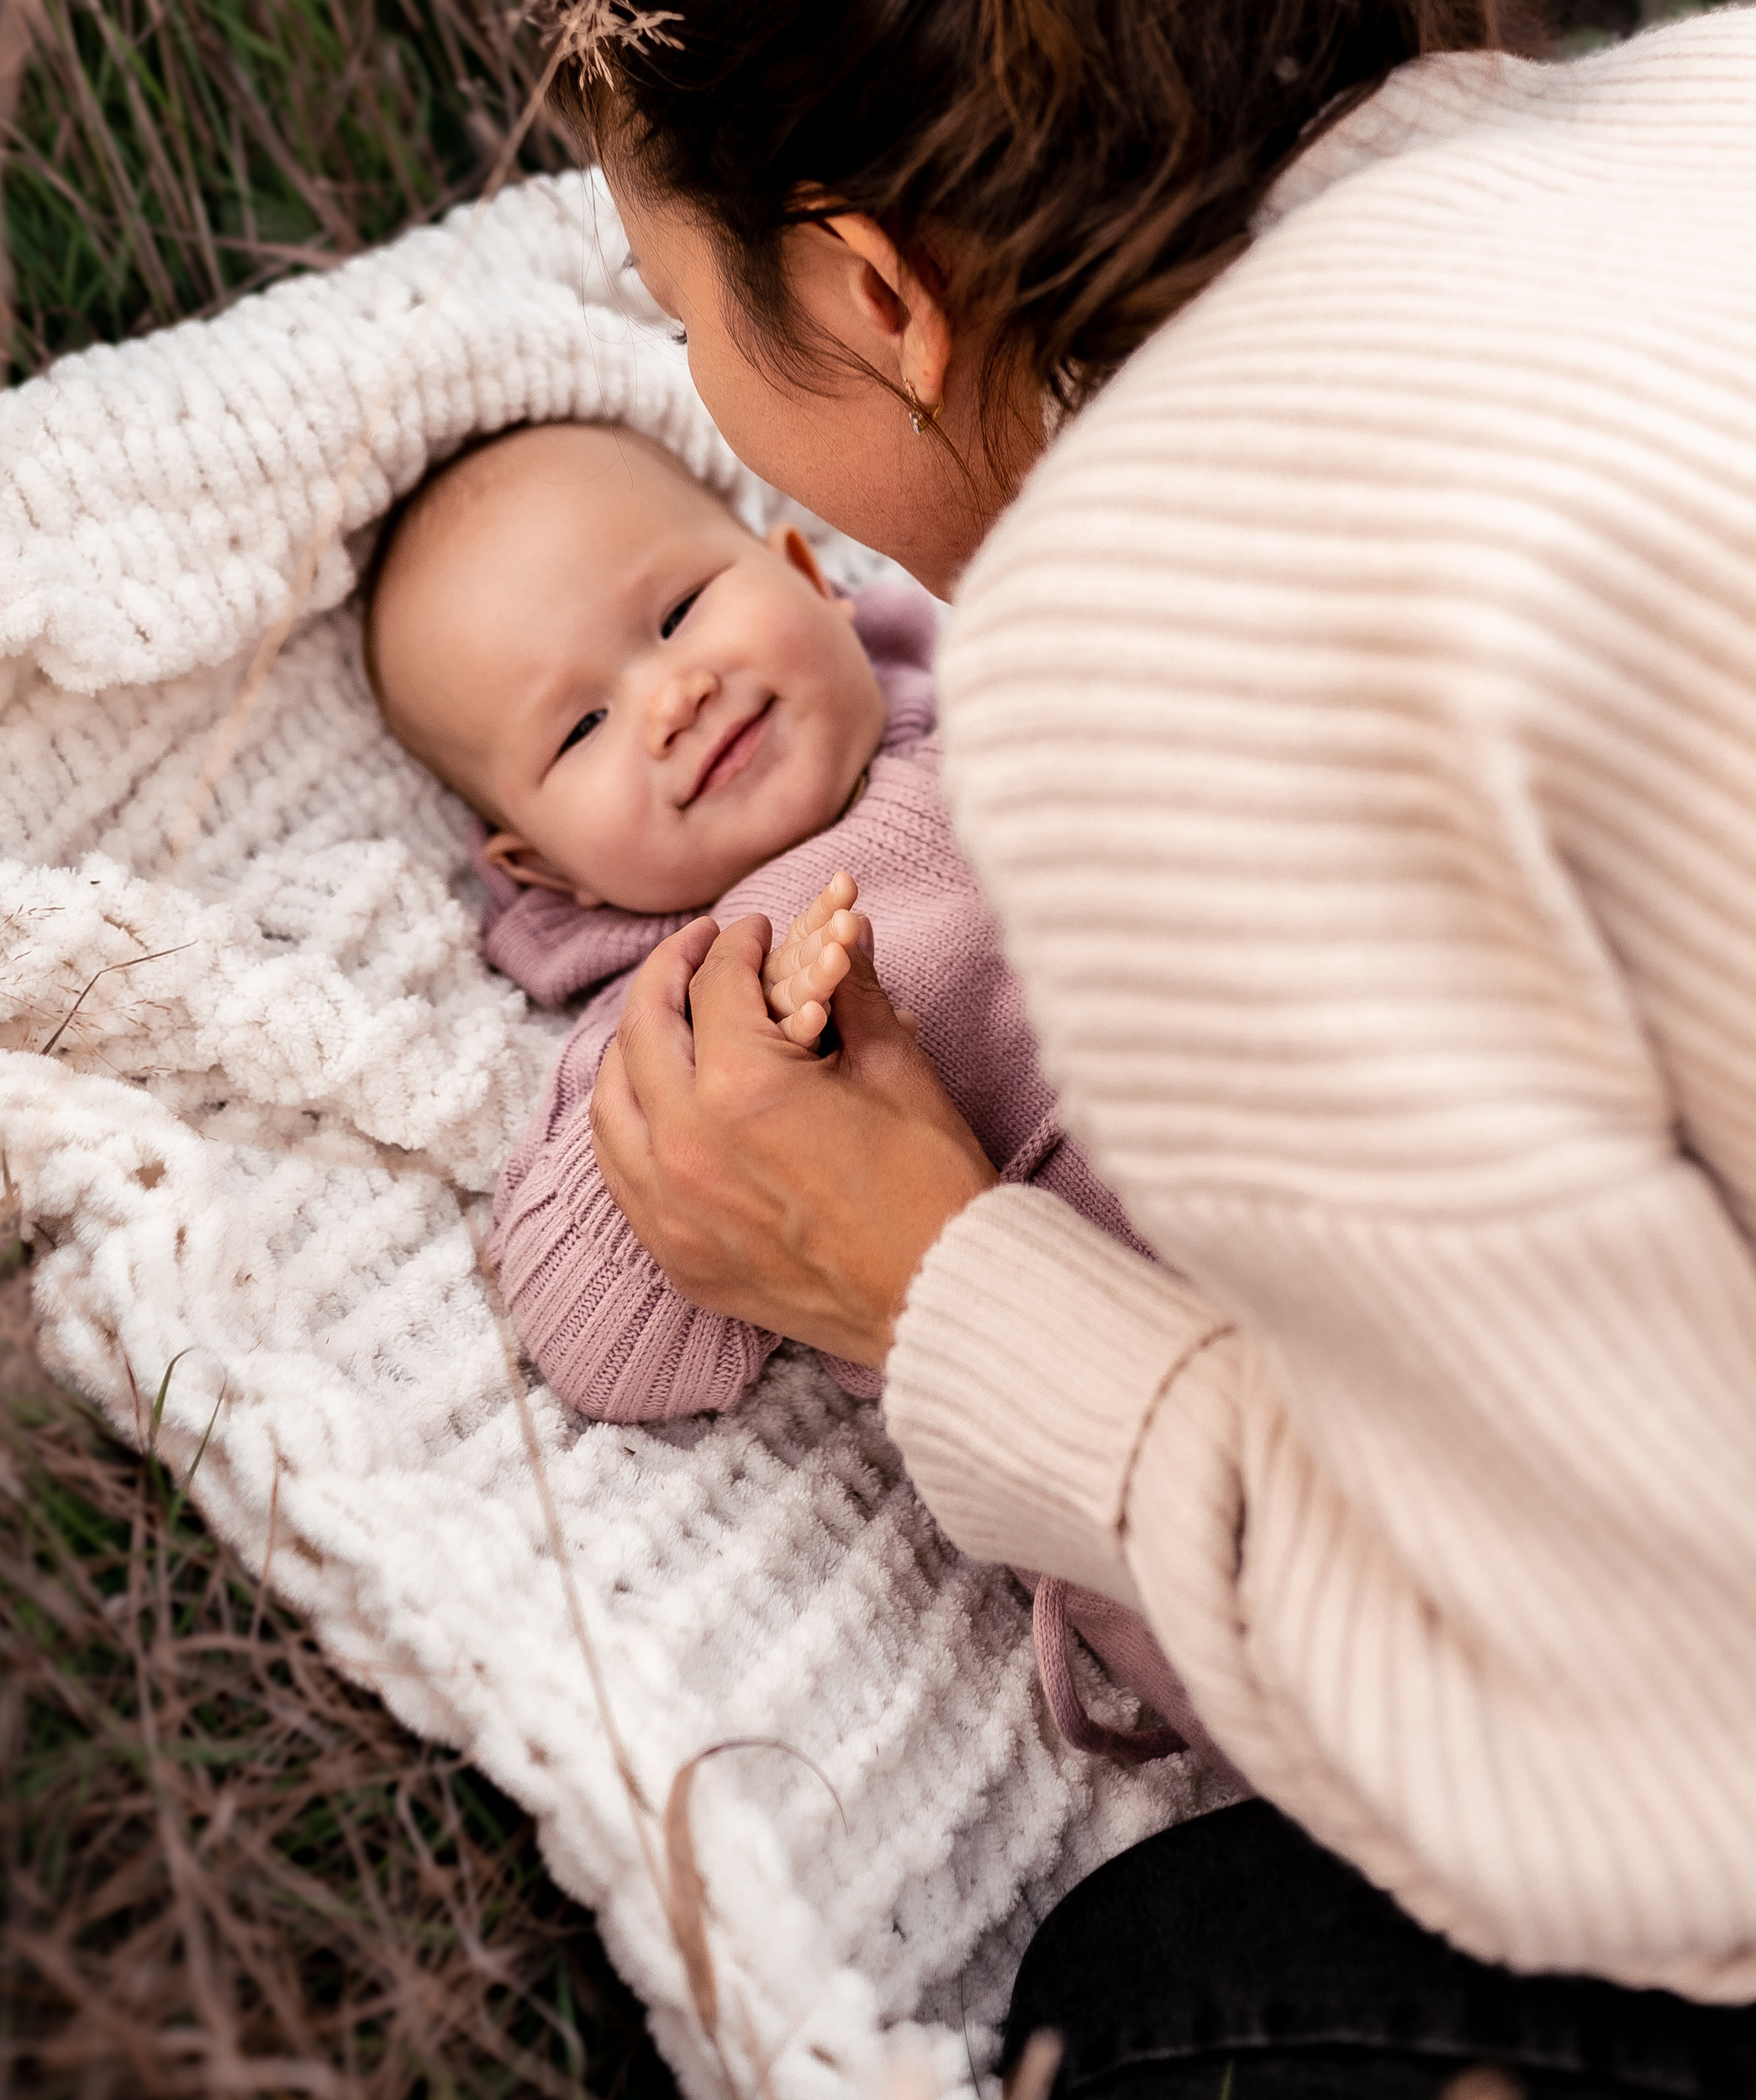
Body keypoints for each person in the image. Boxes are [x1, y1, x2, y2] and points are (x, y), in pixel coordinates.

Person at [524, 0, 1756, 2095]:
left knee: (1163, 1999)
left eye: (698, 331)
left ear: (875, 293)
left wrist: (947, 1293)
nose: (736, 444)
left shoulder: (1155, 626)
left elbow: (1748, 1820)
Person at [362, 416, 1217, 1766]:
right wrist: (731, 1075)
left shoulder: (1018, 675)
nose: (671, 695)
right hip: (1161, 1470)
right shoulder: (687, 1011)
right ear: (548, 872)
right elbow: (594, 1335)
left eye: (682, 609)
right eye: (581, 724)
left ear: (810, 575)